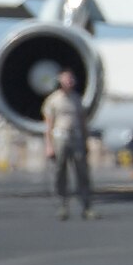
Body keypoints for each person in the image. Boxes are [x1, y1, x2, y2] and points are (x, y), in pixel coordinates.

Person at [40, 69, 93, 221]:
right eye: (66, 79)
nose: (69, 82)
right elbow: (48, 126)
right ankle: (62, 206)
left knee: (82, 173)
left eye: (71, 79)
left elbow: (83, 123)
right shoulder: (53, 100)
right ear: (60, 81)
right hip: (60, 138)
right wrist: (49, 145)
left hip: (76, 138)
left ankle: (86, 207)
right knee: (60, 172)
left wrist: (85, 141)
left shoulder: (77, 100)